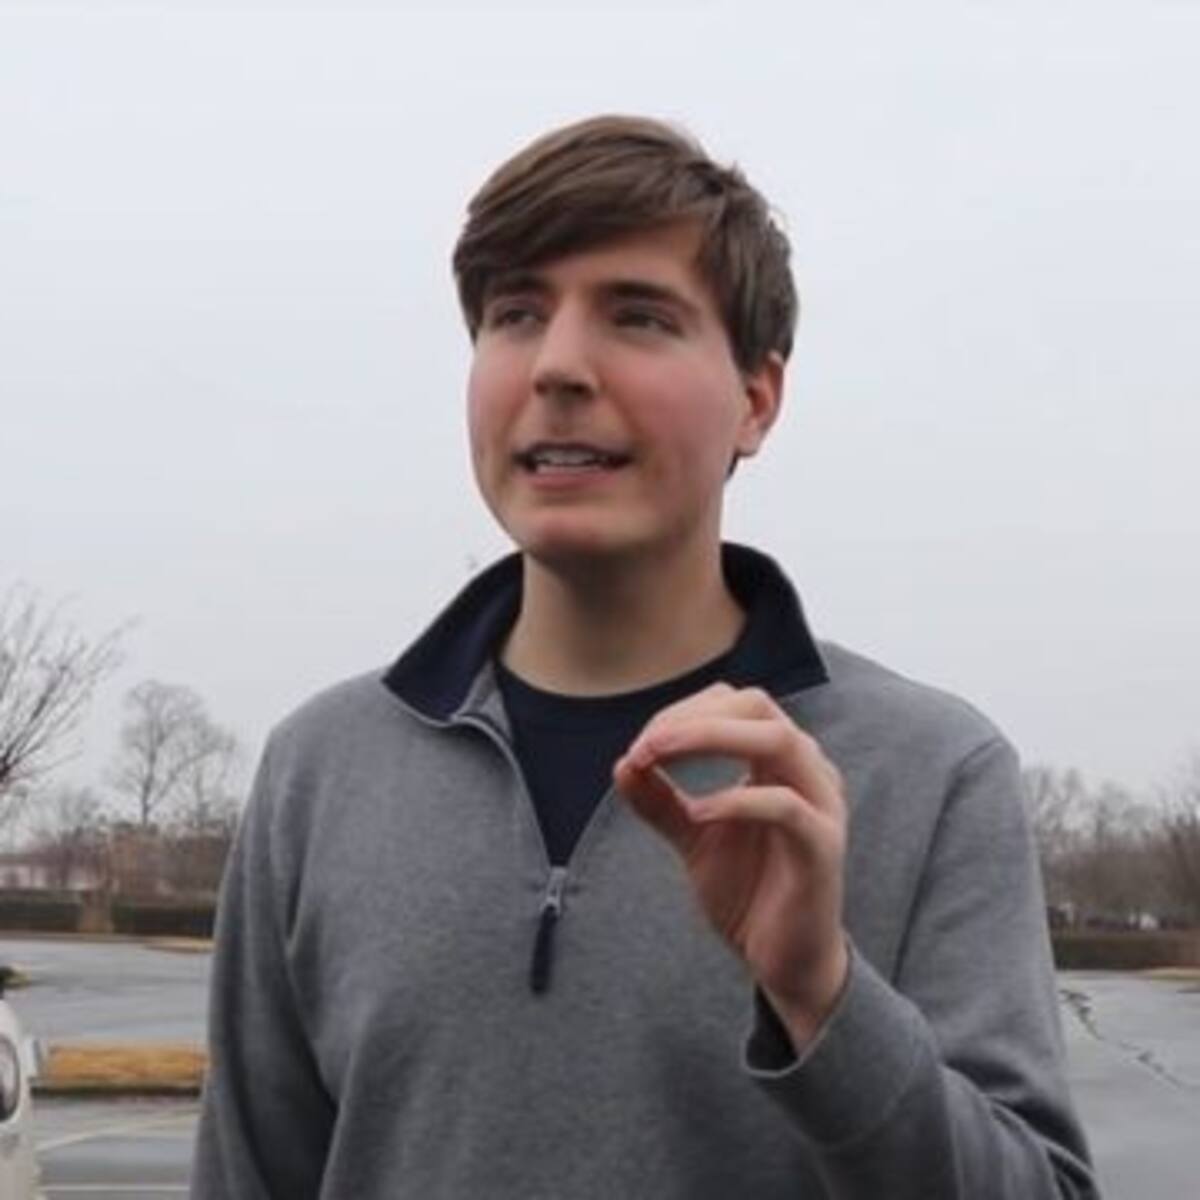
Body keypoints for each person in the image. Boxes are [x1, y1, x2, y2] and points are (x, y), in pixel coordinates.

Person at [191, 115, 1100, 1199]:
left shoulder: (932, 773)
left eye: (637, 315)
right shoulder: (321, 771)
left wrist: (824, 997)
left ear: (756, 400)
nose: (558, 366)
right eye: (516, 314)